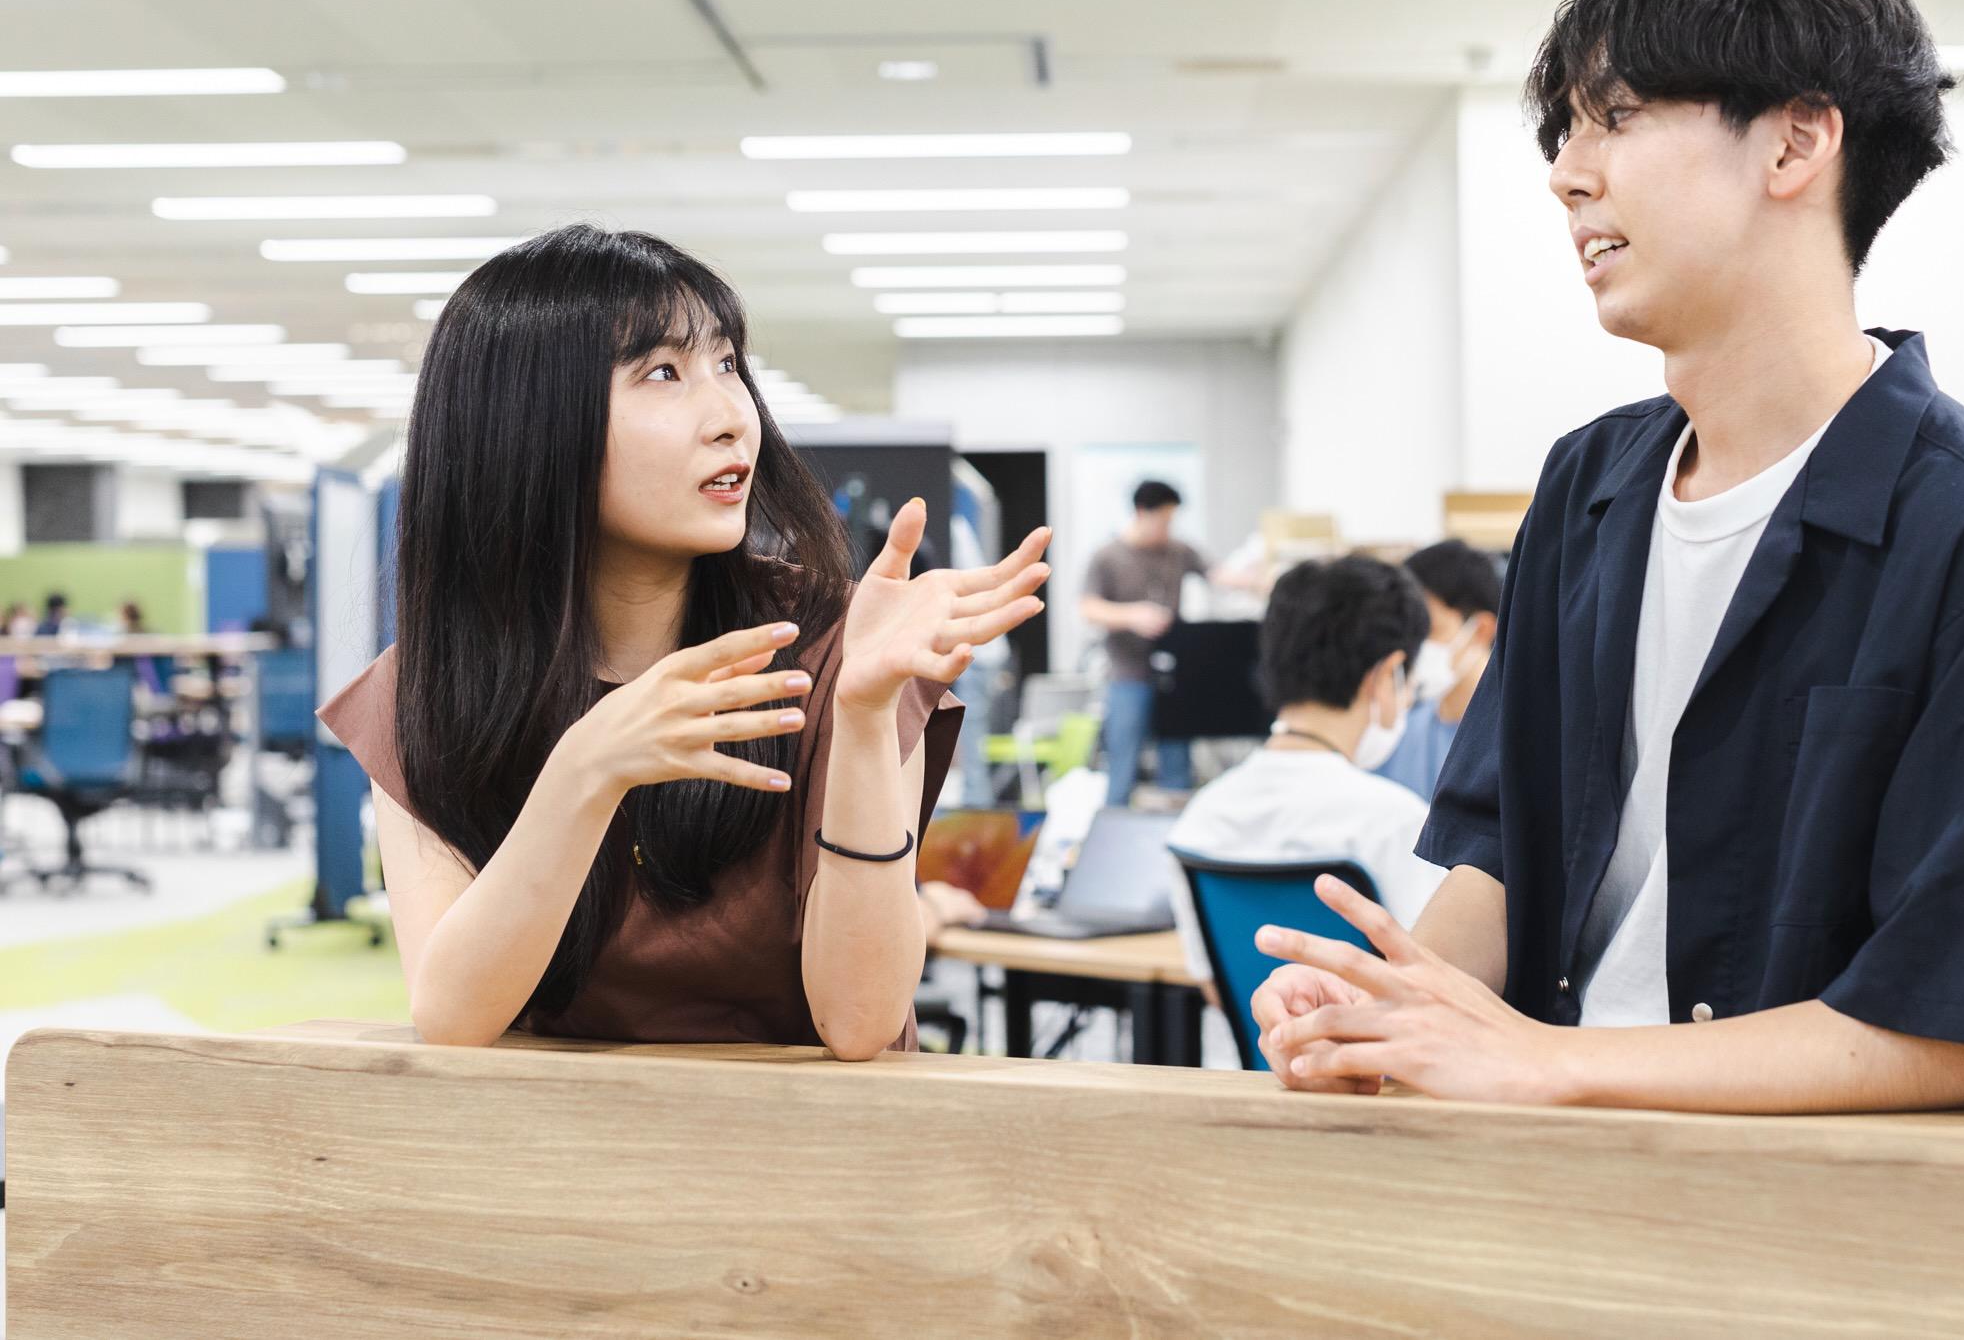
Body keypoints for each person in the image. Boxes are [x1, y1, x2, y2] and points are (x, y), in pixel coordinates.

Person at [1255, 0, 1964, 1114]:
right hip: (1550, 1162)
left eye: (1615, 117)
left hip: (1801, 1198)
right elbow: (1504, 850)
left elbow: (1954, 1029)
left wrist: (1546, 1062)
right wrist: (1390, 1009)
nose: (1567, 174)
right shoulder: (1587, 487)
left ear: (1795, 143)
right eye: (1564, 131)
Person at [317, 225, 1052, 1053]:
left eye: (728, 364)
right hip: (558, 1134)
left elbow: (859, 1023)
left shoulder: (841, 644)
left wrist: (864, 718)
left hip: (807, 1135)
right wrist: (588, 768)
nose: (733, 417)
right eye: (663, 372)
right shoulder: (432, 685)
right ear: (526, 425)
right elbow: (453, 1015)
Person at [1166, 556, 1446, 989]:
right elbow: (1439, 988)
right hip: (1371, 1037)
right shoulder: (1399, 825)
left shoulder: (1199, 818)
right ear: (1387, 674)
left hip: (1252, 1036)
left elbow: (1219, 989)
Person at [1080, 480, 1210, 803]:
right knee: (1122, 766)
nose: (1168, 528)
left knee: (1177, 767)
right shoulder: (1107, 556)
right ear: (1141, 512)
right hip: (1127, 674)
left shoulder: (1179, 551)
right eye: (1163, 520)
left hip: (1174, 676)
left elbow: (1218, 573)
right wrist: (1132, 615)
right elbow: (1088, 607)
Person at [1372, 541, 1500, 802]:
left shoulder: (1514, 737)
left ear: (1481, 629)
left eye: (1427, 629)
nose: (1413, 645)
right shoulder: (1399, 731)